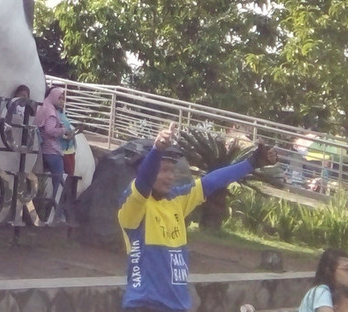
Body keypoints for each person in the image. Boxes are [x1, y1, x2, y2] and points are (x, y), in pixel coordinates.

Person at [118, 124, 278, 312]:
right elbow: (144, 180)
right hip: (144, 305)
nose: (170, 177)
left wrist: (252, 163)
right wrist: (157, 151)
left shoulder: (177, 200)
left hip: (177, 307)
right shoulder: (133, 206)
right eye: (163, 170)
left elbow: (213, 181)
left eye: (172, 170)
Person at [36, 86, 70, 212]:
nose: (62, 101)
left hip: (43, 149)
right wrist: (62, 130)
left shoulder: (44, 107)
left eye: (63, 99)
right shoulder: (51, 112)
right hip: (52, 151)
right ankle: (56, 211)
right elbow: (50, 130)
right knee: (59, 181)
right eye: (60, 98)